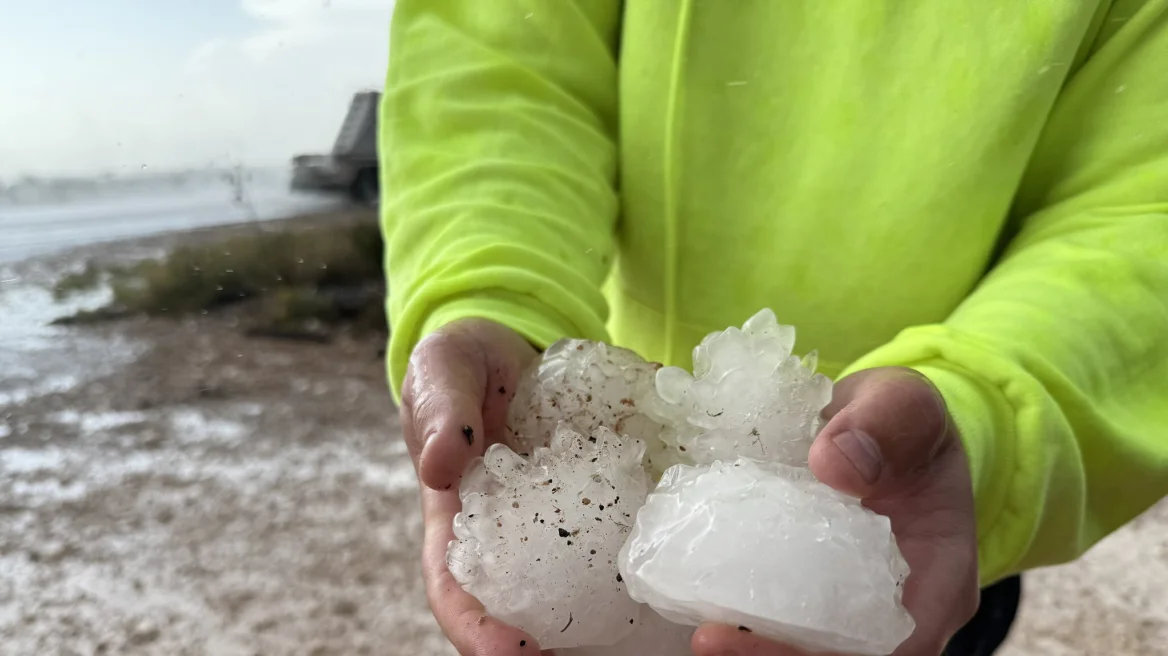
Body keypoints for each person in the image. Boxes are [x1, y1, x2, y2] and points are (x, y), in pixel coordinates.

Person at [379, 2, 1168, 655]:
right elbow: (501, 72)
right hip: (641, 458)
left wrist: (985, 414)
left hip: (935, 520)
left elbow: (1144, 211)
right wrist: (493, 293)